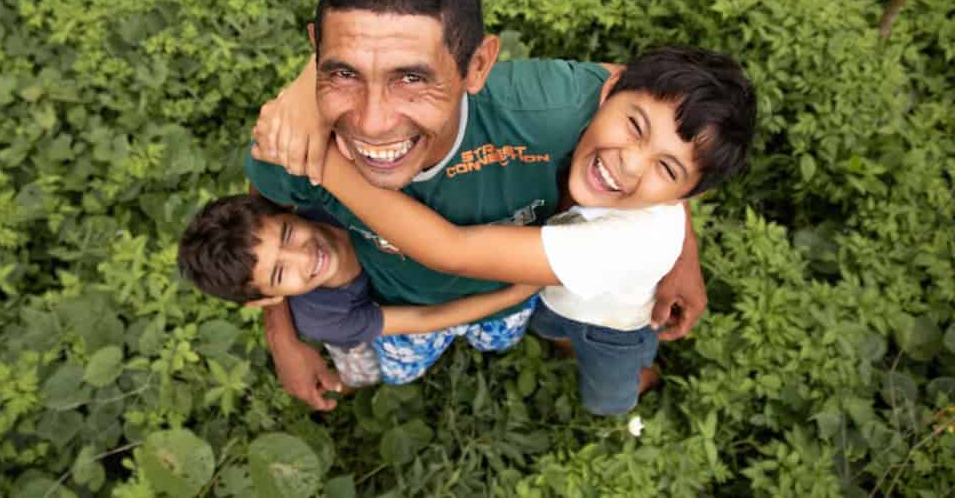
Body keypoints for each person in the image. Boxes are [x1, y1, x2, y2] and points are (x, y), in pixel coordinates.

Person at [247, 0, 707, 410]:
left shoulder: (551, 112)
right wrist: (283, 338)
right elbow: (261, 220)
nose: (372, 122)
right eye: (343, 72)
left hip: (510, 296)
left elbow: (668, 122)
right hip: (400, 306)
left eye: (412, 78)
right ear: (315, 47)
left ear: (479, 65)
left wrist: (681, 250)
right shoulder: (293, 142)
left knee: (501, 334)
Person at [308, 46, 757, 414]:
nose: (630, 162)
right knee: (550, 323)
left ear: (681, 199)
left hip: (613, 321)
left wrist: (322, 160)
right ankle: (560, 341)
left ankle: (637, 386)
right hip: (547, 291)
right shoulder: (586, 103)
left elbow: (451, 249)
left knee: (609, 387)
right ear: (609, 90)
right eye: (635, 126)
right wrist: (301, 95)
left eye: (666, 168)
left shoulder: (629, 244)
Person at [178, 194, 539, 388]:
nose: (303, 256)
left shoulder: (334, 201)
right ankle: (348, 371)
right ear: (269, 299)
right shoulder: (322, 316)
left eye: (288, 235)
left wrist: (508, 299)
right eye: (279, 272)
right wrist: (516, 291)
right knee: (396, 369)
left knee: (498, 335)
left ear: (288, 210)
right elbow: (426, 318)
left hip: (423, 288)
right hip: (392, 323)